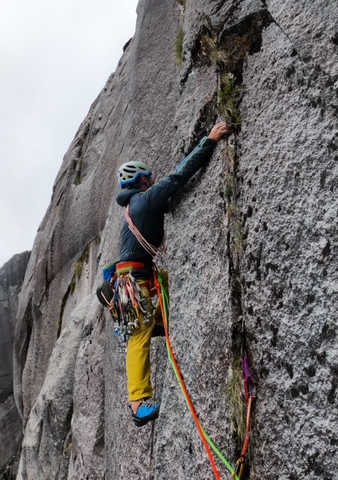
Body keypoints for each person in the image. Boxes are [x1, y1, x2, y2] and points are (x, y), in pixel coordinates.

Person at [114, 120, 229, 427]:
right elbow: (177, 177)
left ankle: (159, 331)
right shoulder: (143, 201)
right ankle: (138, 403)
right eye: (148, 177)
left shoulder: (137, 206)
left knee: (156, 324)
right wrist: (210, 140)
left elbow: (169, 183)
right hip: (136, 280)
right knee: (139, 336)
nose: (153, 180)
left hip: (136, 277)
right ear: (140, 181)